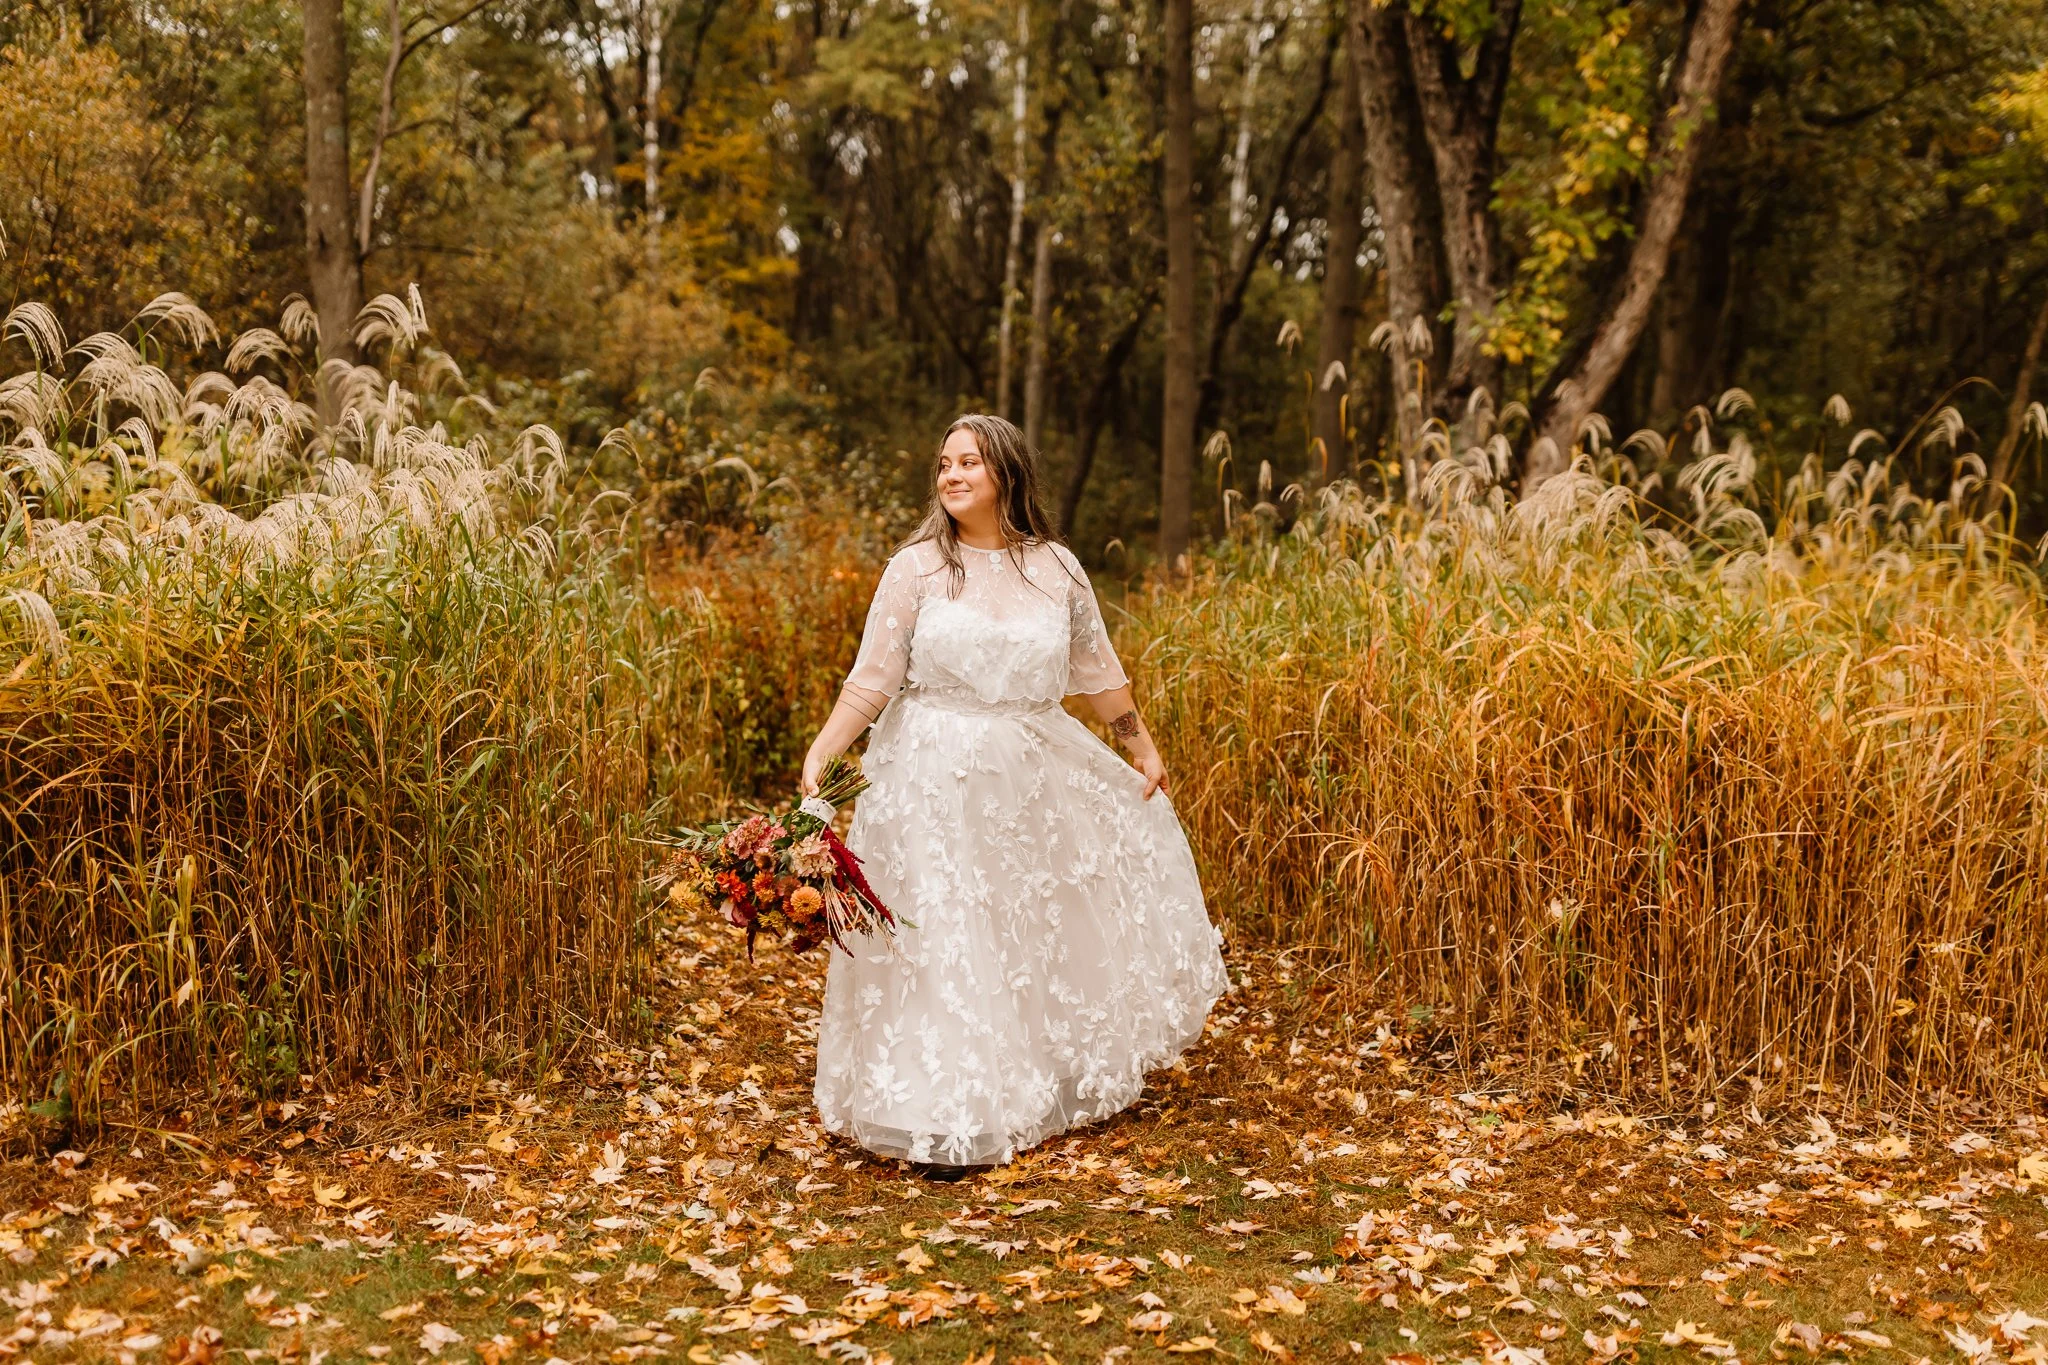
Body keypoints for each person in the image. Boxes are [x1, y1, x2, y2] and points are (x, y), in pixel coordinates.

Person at [802, 413, 1228, 1181]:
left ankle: (1015, 1083)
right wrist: (825, 749)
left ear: (1006, 472)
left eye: (969, 462)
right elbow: (873, 678)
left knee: (1014, 930)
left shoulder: (1056, 569)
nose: (952, 475)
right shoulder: (917, 569)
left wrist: (1139, 745)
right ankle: (940, 1107)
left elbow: (1098, 671)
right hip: (926, 774)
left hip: (1028, 775)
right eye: (943, 464)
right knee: (942, 928)